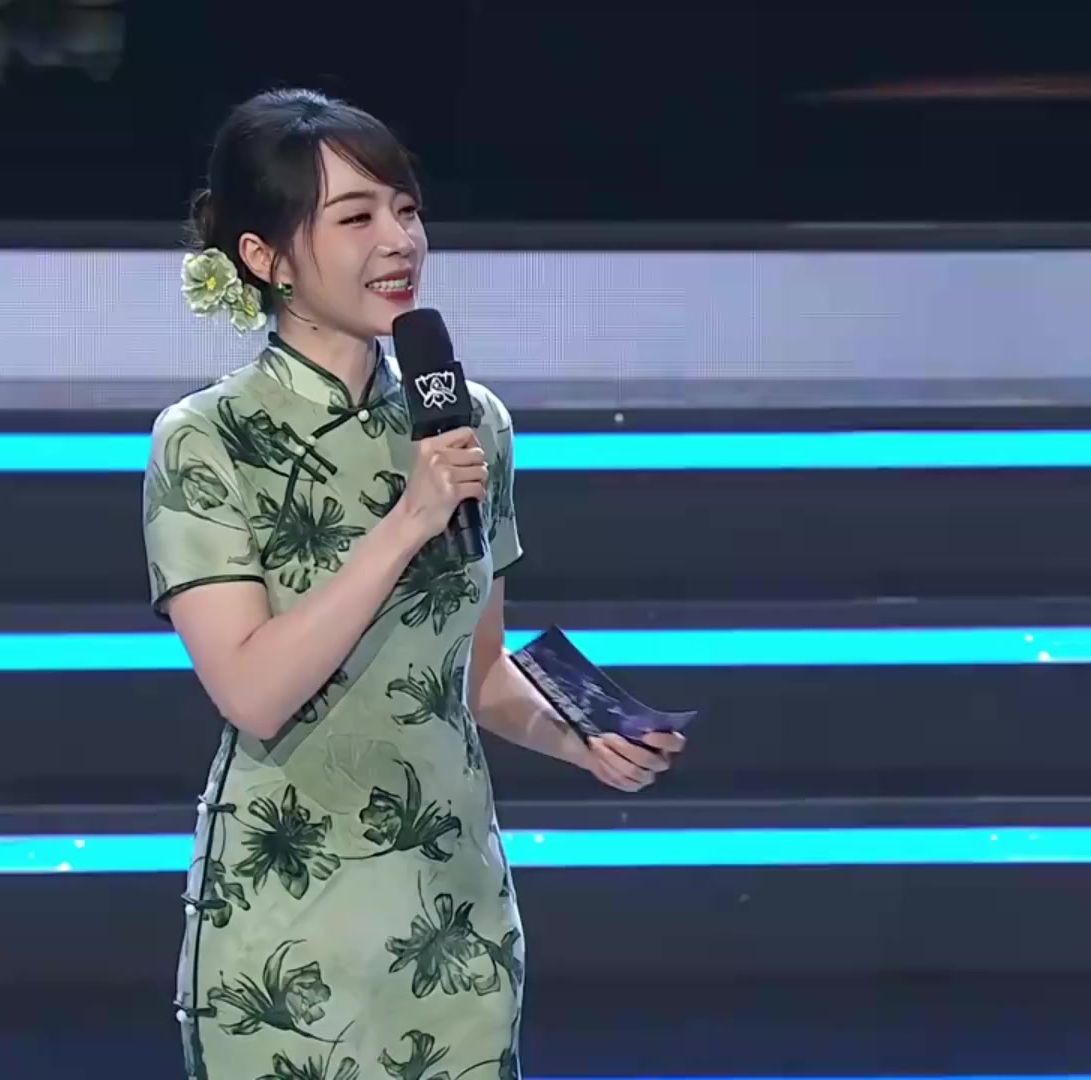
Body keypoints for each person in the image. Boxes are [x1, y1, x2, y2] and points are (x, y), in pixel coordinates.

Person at [144, 88, 686, 1080]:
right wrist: (405, 523)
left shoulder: (471, 422)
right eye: (356, 217)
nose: (399, 241)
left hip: (455, 915)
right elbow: (253, 690)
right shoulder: (207, 438)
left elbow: (475, 674)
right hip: (288, 921)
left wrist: (581, 737)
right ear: (266, 258)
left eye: (406, 210)